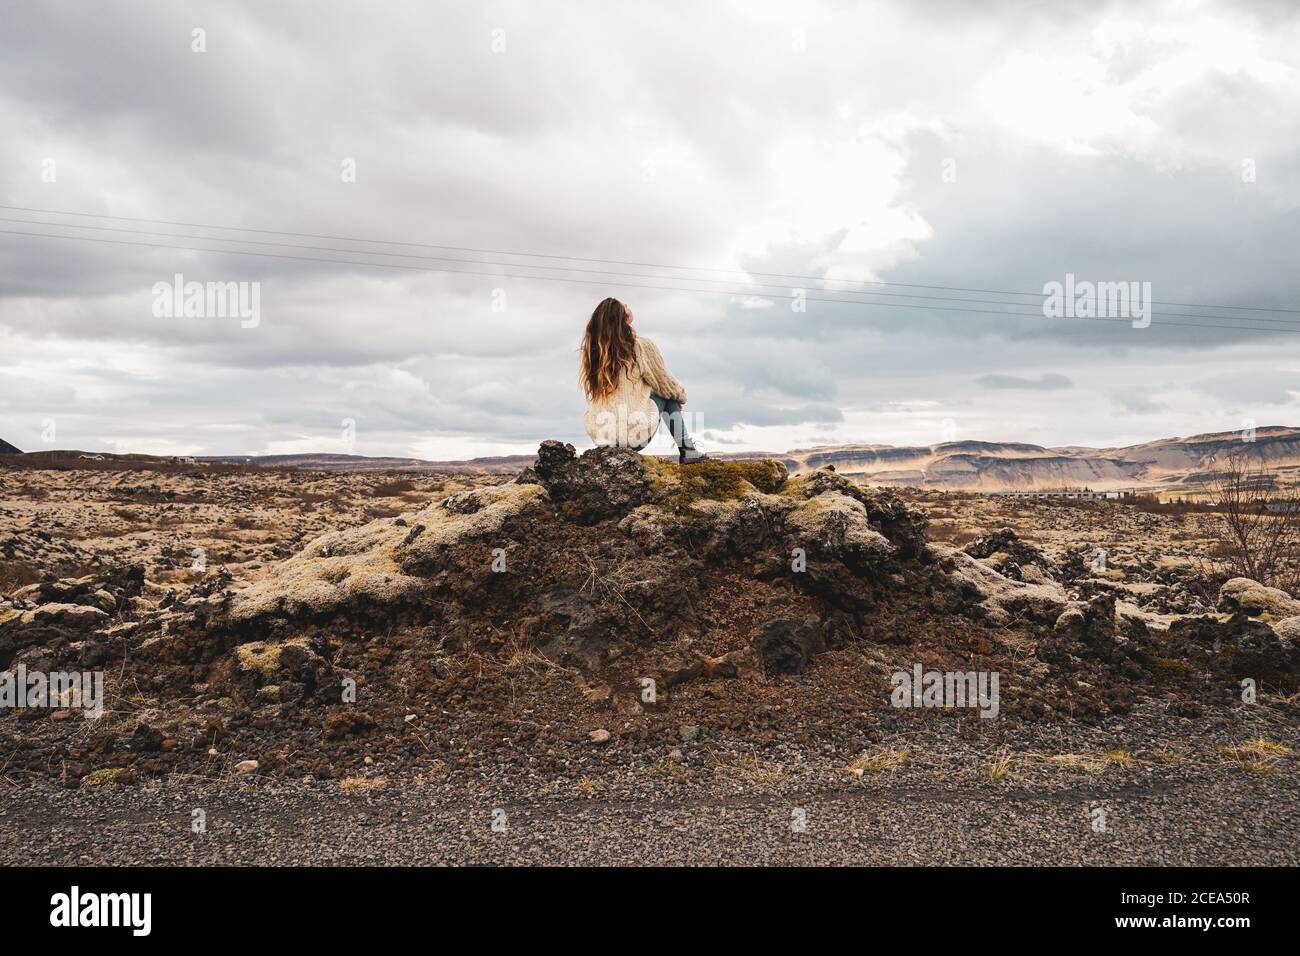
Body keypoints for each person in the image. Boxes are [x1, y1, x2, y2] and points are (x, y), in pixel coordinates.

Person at [579, 297, 707, 463]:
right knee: (665, 393)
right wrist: (681, 396)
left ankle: (688, 450)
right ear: (623, 318)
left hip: (603, 437)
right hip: (632, 438)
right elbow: (666, 384)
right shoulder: (640, 346)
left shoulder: (592, 352)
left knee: (658, 391)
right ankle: (688, 451)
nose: (627, 305)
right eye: (624, 305)